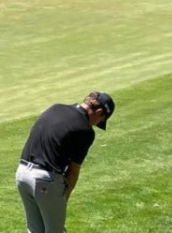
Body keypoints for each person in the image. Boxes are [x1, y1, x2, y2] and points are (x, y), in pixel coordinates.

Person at [16, 91, 115, 233]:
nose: (97, 124)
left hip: (22, 174)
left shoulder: (55, 108)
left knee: (35, 230)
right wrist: (63, 198)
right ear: (99, 112)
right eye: (101, 120)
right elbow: (73, 171)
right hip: (45, 180)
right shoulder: (85, 131)